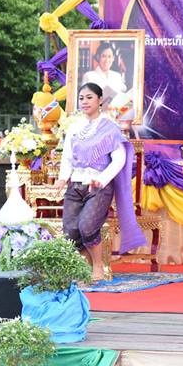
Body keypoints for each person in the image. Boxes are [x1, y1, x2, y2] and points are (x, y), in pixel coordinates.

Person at [54, 83, 147, 281]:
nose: (84, 102)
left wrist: (102, 179)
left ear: (100, 100)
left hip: (98, 187)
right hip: (75, 184)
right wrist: (62, 179)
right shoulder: (74, 128)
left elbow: (119, 159)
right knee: (71, 231)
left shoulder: (110, 128)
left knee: (87, 226)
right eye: (81, 98)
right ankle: (84, 269)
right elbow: (67, 158)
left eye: (89, 97)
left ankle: (98, 266)